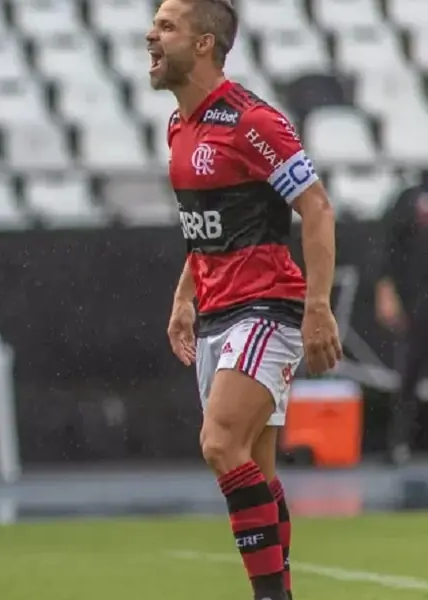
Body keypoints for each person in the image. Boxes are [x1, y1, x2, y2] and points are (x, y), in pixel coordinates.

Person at [149, 1, 342, 599]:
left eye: (166, 26)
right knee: (254, 471)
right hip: (216, 313)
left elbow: (316, 206)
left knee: (219, 443)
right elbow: (207, 229)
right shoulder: (179, 128)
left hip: (267, 308)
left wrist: (317, 305)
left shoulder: (251, 122)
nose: (151, 36)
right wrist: (185, 298)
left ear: (204, 44)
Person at [375, 173, 428, 466]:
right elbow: (387, 246)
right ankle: (398, 443)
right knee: (407, 375)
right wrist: (385, 290)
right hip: (415, 299)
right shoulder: (409, 197)